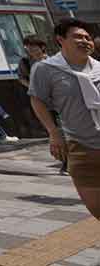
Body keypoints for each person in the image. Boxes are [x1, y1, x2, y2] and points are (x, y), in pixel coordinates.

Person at [28, 18, 100, 217]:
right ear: (60, 40)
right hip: (82, 149)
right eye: (78, 36)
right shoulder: (46, 69)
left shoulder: (99, 68)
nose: (85, 41)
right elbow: (37, 100)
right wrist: (53, 132)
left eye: (88, 37)